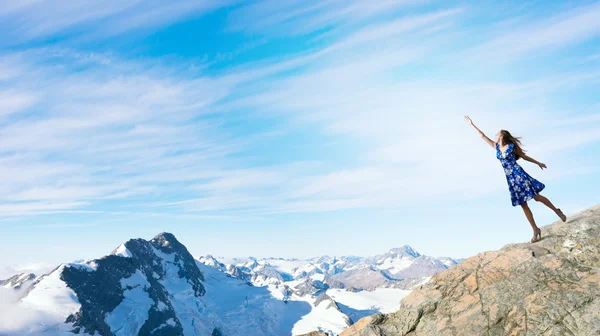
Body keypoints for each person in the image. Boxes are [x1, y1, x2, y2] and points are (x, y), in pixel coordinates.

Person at [464, 116, 566, 243]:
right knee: (523, 205)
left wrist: (538, 163)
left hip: (518, 174)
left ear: (501, 136)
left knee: (536, 197)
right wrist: (471, 124)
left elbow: (523, 156)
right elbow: (482, 135)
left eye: (497, 134)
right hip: (510, 179)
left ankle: (557, 211)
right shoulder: (496, 147)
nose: (495, 135)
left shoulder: (511, 147)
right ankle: (535, 229)